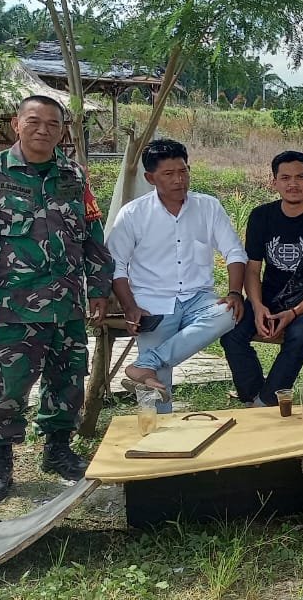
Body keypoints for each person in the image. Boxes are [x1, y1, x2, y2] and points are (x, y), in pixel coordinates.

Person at [0, 95, 113, 503]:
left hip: (67, 305)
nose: (44, 130)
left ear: (62, 130)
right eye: (34, 122)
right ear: (16, 124)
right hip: (10, 305)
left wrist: (98, 288)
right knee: (7, 385)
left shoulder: (74, 175)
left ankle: (58, 451)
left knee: (68, 380)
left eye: (53, 124)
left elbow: (92, 235)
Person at [109, 139, 247, 408]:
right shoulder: (133, 214)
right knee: (156, 390)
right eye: (169, 174)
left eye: (183, 171)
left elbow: (234, 252)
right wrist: (129, 307)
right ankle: (155, 439)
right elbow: (116, 265)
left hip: (199, 299)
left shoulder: (208, 207)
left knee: (228, 313)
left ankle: (145, 363)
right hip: (153, 302)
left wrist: (234, 292)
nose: (178, 180)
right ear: (150, 178)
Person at [221, 150, 303, 405]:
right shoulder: (261, 216)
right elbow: (253, 270)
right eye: (285, 177)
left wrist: (294, 312)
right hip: (269, 296)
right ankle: (252, 396)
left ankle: (266, 403)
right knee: (231, 332)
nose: (293, 184)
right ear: (274, 182)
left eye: (301, 177)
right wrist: (257, 307)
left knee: (299, 335)